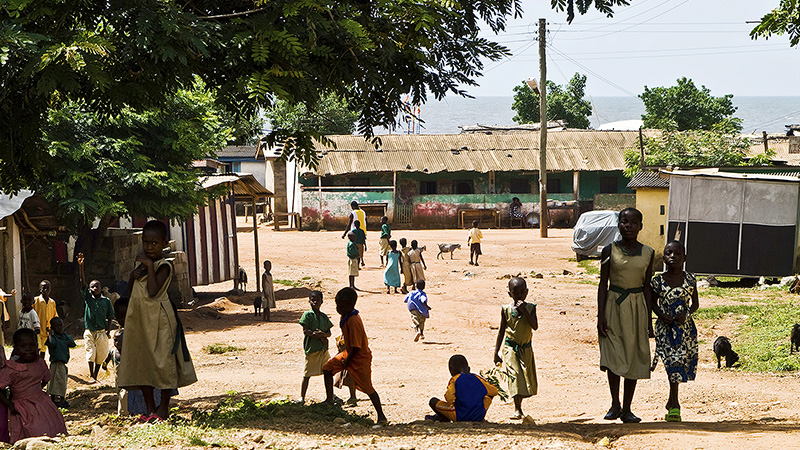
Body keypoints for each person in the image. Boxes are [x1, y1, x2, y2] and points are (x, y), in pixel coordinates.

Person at [118, 220, 196, 421]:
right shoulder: (141, 265)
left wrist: (149, 267)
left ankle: (163, 407)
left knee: (162, 363)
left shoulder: (164, 266)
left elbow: (153, 291)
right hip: (140, 321)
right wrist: (133, 277)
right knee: (143, 364)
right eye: (146, 242)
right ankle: (149, 409)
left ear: (164, 244)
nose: (149, 247)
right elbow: (132, 292)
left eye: (154, 243)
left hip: (159, 321)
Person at [597, 207, 654, 424]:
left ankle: (628, 408)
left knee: (632, 355)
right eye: (624, 221)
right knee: (613, 355)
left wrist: (649, 320)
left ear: (641, 226)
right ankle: (614, 404)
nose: (628, 226)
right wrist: (600, 315)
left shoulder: (649, 253)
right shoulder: (609, 251)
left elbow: (647, 286)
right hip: (613, 305)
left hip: (637, 306)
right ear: (618, 224)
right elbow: (603, 283)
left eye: (633, 222)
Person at [650, 240, 699, 423]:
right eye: (669, 253)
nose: (673, 257)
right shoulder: (658, 281)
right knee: (672, 364)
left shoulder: (690, 279)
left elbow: (695, 304)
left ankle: (672, 401)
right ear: (664, 258)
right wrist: (661, 314)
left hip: (685, 329)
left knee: (679, 364)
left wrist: (686, 314)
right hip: (665, 329)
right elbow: (652, 303)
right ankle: (675, 405)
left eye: (677, 254)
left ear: (684, 258)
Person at [323, 287, 388, 425]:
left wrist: (347, 361)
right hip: (349, 353)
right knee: (327, 368)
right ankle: (329, 401)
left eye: (339, 304)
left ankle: (381, 416)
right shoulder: (346, 316)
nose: (337, 308)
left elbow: (357, 346)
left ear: (347, 304)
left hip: (359, 357)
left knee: (368, 388)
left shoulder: (353, 320)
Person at [0, 328, 68, 443]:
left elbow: (46, 379)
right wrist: (10, 405)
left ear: (37, 345)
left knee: (51, 426)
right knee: (31, 430)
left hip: (42, 403)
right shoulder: (12, 369)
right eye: (23, 346)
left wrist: (36, 391)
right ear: (15, 348)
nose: (28, 349)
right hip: (22, 407)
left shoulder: (40, 363)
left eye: (32, 345)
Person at [493, 277, 538, 420]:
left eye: (521, 292)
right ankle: (517, 409)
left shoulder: (530, 308)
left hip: (525, 349)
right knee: (515, 375)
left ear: (526, 293)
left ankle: (519, 403)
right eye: (515, 292)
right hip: (510, 348)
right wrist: (496, 352)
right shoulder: (506, 310)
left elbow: (535, 326)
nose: (518, 295)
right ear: (509, 294)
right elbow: (501, 331)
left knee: (526, 379)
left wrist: (525, 311)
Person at [78, 252, 115, 384]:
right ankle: (91, 375)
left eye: (96, 286)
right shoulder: (88, 298)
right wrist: (81, 267)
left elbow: (110, 316)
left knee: (101, 354)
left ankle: (96, 375)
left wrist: (108, 331)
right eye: (92, 286)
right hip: (90, 330)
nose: (94, 288)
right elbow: (82, 282)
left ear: (101, 288)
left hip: (102, 332)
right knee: (90, 353)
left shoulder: (106, 301)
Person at [427, 354, 498, 422]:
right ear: (469, 369)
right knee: (489, 396)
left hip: (460, 416)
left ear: (452, 370)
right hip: (478, 415)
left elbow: (449, 398)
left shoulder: (455, 379)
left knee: (433, 401)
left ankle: (444, 418)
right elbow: (494, 391)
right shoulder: (477, 378)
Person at [299, 290, 333, 404]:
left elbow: (329, 332)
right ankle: (302, 397)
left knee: (328, 372)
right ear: (309, 301)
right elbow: (306, 330)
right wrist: (318, 336)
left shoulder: (323, 317)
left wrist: (323, 335)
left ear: (321, 301)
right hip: (312, 349)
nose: (314, 302)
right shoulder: (307, 315)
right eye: (312, 300)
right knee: (307, 374)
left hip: (323, 350)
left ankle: (330, 397)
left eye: (317, 300)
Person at [45, 317, 76, 408]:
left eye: (60, 325)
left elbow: (72, 343)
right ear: (52, 327)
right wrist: (50, 334)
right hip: (56, 362)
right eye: (56, 326)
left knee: (62, 381)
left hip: (63, 363)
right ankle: (58, 399)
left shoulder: (64, 336)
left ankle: (60, 399)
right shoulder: (53, 338)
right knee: (56, 381)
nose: (59, 328)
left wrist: (64, 342)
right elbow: (51, 343)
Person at [34, 280, 59, 358]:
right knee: (37, 348)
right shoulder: (36, 301)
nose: (45, 290)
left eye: (47, 288)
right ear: (40, 289)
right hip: (38, 330)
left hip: (47, 331)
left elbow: (55, 316)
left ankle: (41, 366)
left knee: (43, 350)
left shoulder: (52, 302)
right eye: (43, 288)